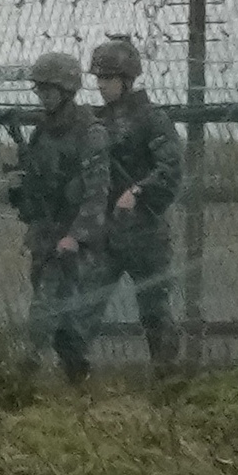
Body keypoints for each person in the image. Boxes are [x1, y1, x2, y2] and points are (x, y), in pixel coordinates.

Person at [81, 32, 186, 380]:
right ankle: (75, 379)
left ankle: (166, 380)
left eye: (108, 78)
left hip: (145, 230)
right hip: (106, 231)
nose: (101, 85)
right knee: (87, 305)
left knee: (155, 310)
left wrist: (139, 191)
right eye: (98, 78)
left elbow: (170, 168)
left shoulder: (151, 118)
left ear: (127, 80)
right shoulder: (94, 121)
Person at [4, 49, 108, 380]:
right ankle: (78, 377)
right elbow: (36, 183)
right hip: (45, 233)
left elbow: (96, 193)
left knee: (44, 310)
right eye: (39, 90)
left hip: (73, 238)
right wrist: (21, 191)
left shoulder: (91, 133)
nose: (42, 96)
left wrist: (75, 237)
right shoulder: (42, 131)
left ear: (66, 91)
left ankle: (23, 375)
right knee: (63, 319)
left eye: (47, 90)